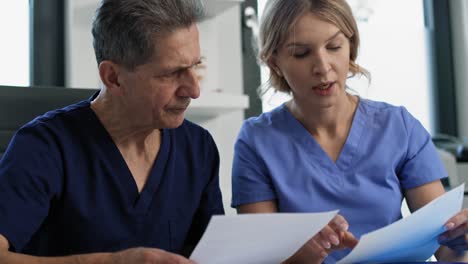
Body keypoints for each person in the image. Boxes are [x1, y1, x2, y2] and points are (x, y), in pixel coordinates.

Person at [231, 0, 468, 263]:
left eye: (334, 47)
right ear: (274, 62)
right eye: (301, 53)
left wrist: (462, 239)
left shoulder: (399, 127)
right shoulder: (256, 141)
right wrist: (307, 253)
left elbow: (447, 249)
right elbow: (258, 258)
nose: (322, 66)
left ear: (351, 47)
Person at [0, 0, 224, 263]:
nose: (194, 90)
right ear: (113, 77)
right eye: (172, 73)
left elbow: (215, 254)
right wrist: (109, 262)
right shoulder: (44, 147)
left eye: (195, 66)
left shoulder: (198, 148)